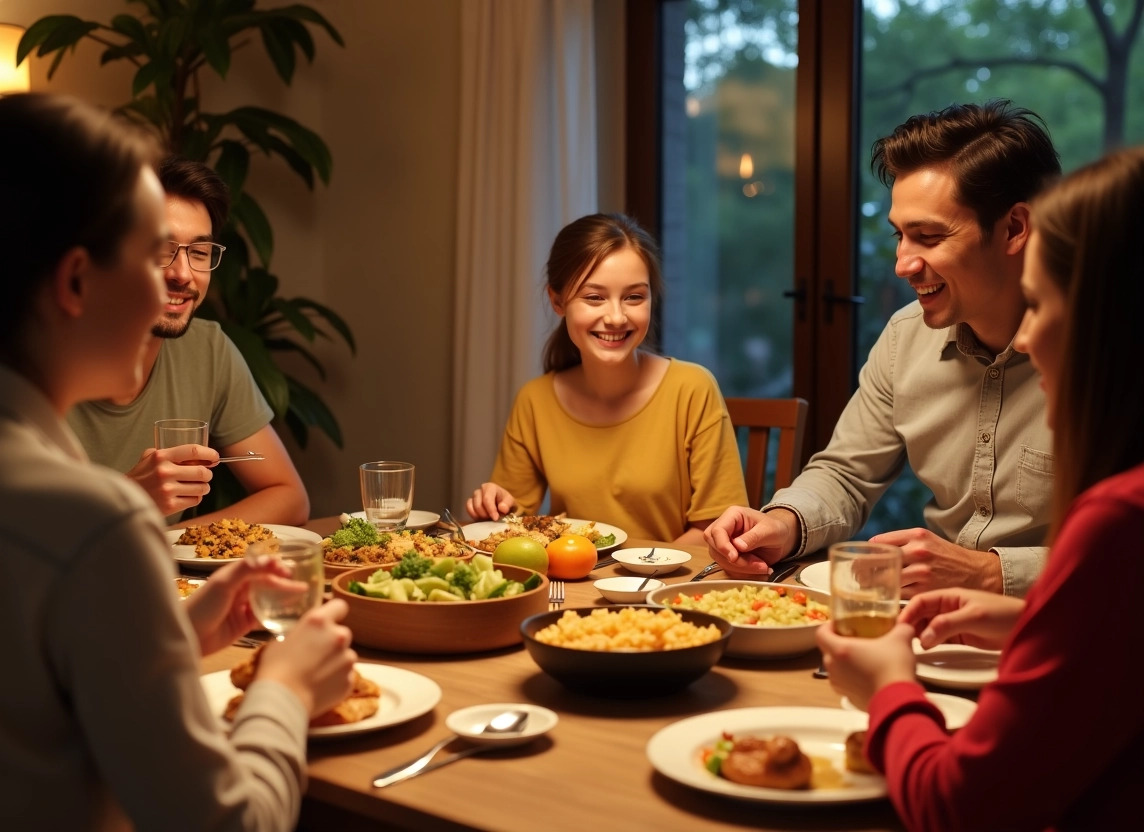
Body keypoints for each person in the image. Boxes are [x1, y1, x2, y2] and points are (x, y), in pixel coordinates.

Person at [0, 93, 356, 830]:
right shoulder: (90, 524)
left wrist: (180, 636)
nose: (172, 282)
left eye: (193, 254)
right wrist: (284, 687)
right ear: (75, 282)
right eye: (148, 253)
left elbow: (16, 699)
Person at [816, 146, 1144, 831]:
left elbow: (959, 805)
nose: (1026, 338)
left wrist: (888, 687)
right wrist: (1033, 622)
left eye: (1041, 303)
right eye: (899, 235)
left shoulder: (1118, 515)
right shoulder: (904, 339)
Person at [705, 100, 1060, 597]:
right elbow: (847, 473)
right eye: (900, 236)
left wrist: (992, 573)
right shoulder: (905, 335)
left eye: (929, 237)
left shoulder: (1109, 348)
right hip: (935, 628)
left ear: (1015, 229)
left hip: (1077, 635)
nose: (902, 264)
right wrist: (783, 523)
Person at [465, 212, 748, 545]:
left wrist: (639, 575)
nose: (615, 317)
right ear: (558, 300)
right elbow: (512, 525)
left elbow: (716, 530)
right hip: (570, 586)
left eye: (634, 297)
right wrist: (494, 504)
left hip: (662, 588)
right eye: (594, 297)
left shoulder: (692, 389)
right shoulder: (535, 400)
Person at [66, 156, 309, 527]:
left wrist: (169, 544)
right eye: (161, 249)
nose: (183, 274)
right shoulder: (33, 365)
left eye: (199, 253)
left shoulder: (206, 349)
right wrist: (127, 500)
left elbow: (288, 496)